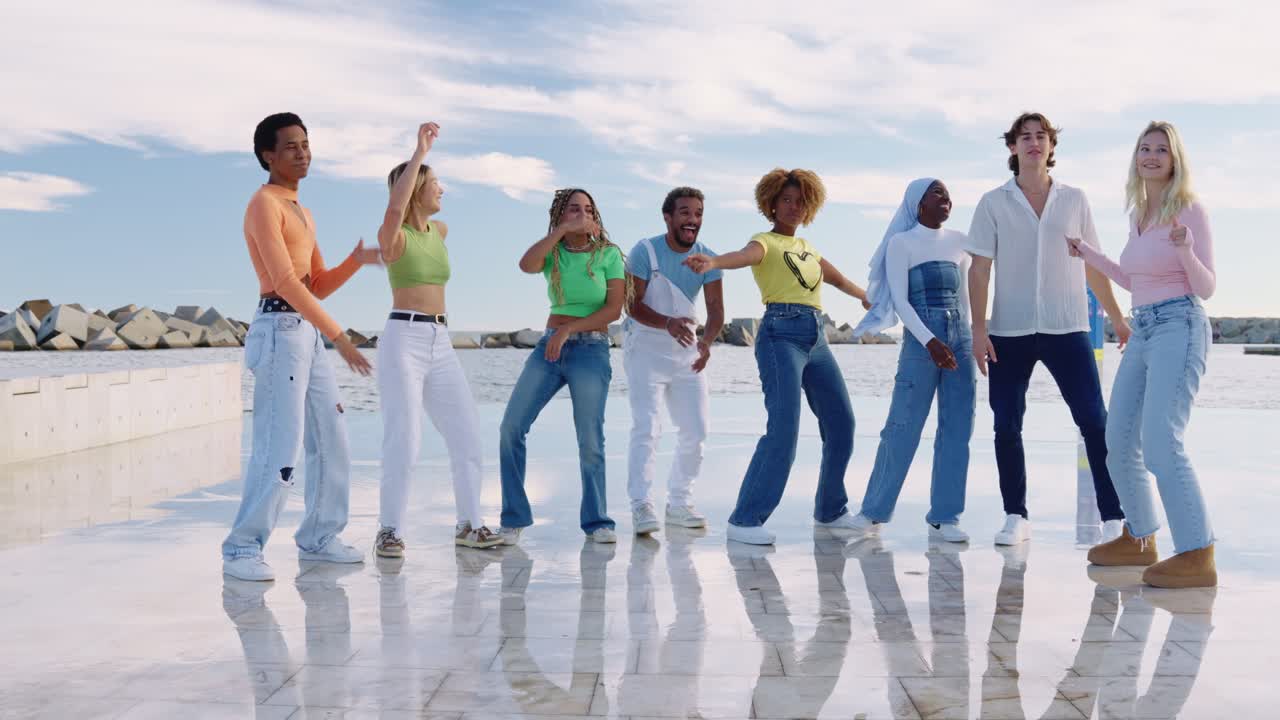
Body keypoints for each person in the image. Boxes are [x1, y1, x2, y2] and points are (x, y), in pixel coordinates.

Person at [221, 112, 382, 581]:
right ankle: (241, 548)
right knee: (278, 445)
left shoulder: (303, 212)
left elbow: (316, 284)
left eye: (306, 144)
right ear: (268, 156)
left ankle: (319, 536)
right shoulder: (263, 204)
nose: (302, 152)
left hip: (305, 332)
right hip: (277, 331)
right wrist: (340, 337)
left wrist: (355, 261)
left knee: (331, 437)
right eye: (291, 146)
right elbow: (287, 283)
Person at [966, 112, 1132, 547]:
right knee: (1006, 424)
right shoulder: (993, 202)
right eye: (1026, 137)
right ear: (1013, 148)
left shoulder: (1075, 200)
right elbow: (980, 269)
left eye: (1042, 137)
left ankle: (1113, 516)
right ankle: (1015, 515)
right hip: (1008, 331)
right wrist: (978, 329)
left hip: (1068, 327)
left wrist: (1116, 317)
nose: (1035, 143)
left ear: (1052, 147)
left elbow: (1093, 264)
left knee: (1095, 422)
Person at [684, 168, 871, 545]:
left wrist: (865, 296)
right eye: (786, 200)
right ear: (771, 204)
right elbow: (743, 256)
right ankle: (745, 520)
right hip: (779, 336)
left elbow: (838, 281)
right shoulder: (765, 241)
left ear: (809, 206)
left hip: (816, 338)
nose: (793, 207)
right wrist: (713, 263)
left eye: (800, 201)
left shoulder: (809, 250)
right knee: (783, 430)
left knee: (842, 424)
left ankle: (830, 511)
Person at [1067, 121, 1217, 588]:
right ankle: (1140, 538)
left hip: (1181, 325)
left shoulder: (1188, 210)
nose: (1151, 156)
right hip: (1144, 326)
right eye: (1144, 148)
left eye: (1161, 150)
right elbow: (1136, 281)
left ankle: (1197, 552)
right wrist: (1088, 253)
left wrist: (1188, 250)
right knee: (1117, 441)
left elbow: (1206, 287)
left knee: (1160, 443)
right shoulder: (1138, 214)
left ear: (1175, 160)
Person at [373, 122, 502, 558]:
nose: (442, 190)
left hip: (440, 341)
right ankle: (389, 530)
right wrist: (419, 153)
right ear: (413, 191)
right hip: (401, 339)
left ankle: (470, 524)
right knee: (404, 438)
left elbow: (414, 206)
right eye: (435, 184)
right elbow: (395, 210)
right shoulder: (393, 239)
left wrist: (424, 166)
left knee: (466, 434)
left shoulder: (440, 232)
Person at [498, 188, 631, 545]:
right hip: (549, 348)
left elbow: (613, 310)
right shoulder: (552, 252)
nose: (582, 214)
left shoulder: (608, 255)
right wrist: (557, 231)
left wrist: (569, 329)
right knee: (511, 428)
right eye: (574, 209)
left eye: (588, 208)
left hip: (591, 350)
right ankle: (513, 519)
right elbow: (525, 265)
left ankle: (598, 521)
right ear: (561, 215)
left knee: (590, 439)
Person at [846, 178, 976, 542]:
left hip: (960, 339)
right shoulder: (900, 244)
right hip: (922, 340)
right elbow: (902, 302)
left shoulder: (961, 241)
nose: (946, 197)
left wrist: (970, 338)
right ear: (918, 203)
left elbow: (965, 296)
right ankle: (872, 512)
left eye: (948, 192)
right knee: (902, 427)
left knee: (957, 429)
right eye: (937, 192)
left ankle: (945, 518)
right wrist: (930, 340)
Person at [624, 186, 725, 535]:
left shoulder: (708, 258)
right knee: (647, 427)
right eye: (684, 212)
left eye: (697, 213)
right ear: (668, 217)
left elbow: (715, 311)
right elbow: (631, 305)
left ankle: (679, 502)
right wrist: (665, 323)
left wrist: (707, 342)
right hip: (645, 348)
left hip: (686, 350)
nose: (692, 220)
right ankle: (641, 504)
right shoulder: (645, 251)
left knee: (696, 430)